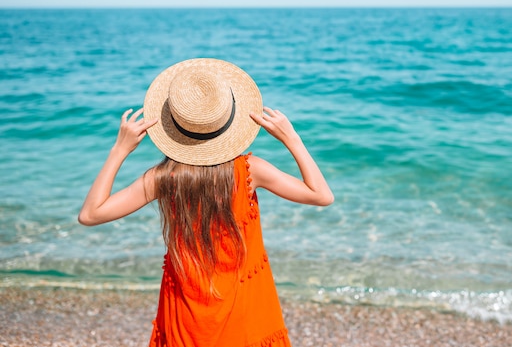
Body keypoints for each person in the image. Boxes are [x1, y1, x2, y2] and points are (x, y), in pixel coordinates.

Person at [78, 58, 334, 347]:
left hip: (185, 313)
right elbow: (321, 195)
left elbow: (90, 214)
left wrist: (119, 149)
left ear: (174, 127)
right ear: (227, 122)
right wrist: (292, 139)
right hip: (244, 307)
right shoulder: (250, 172)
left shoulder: (164, 178)